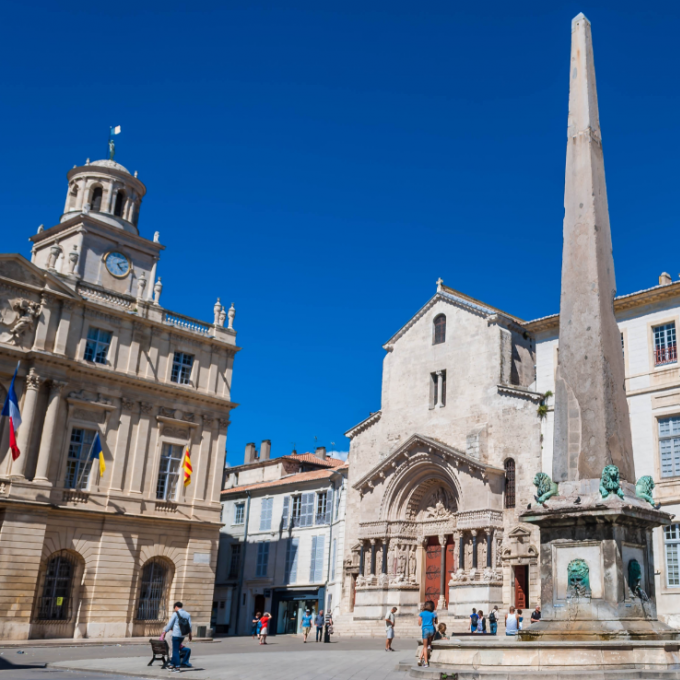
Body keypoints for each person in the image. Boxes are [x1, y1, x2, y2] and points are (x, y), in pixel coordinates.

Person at [161, 601, 192, 673]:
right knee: (176, 649)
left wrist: (165, 631)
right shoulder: (187, 614)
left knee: (175, 651)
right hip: (183, 635)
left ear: (176, 607)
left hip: (176, 634)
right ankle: (172, 665)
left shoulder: (175, 614)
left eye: (174, 608)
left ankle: (177, 667)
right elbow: (190, 625)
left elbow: (170, 624)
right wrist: (190, 634)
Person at [418, 600, 437, 668]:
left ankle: (426, 662)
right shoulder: (432, 614)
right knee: (429, 644)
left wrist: (422, 622)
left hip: (425, 630)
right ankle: (420, 658)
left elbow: (419, 623)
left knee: (425, 647)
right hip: (431, 630)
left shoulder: (421, 613)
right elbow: (433, 622)